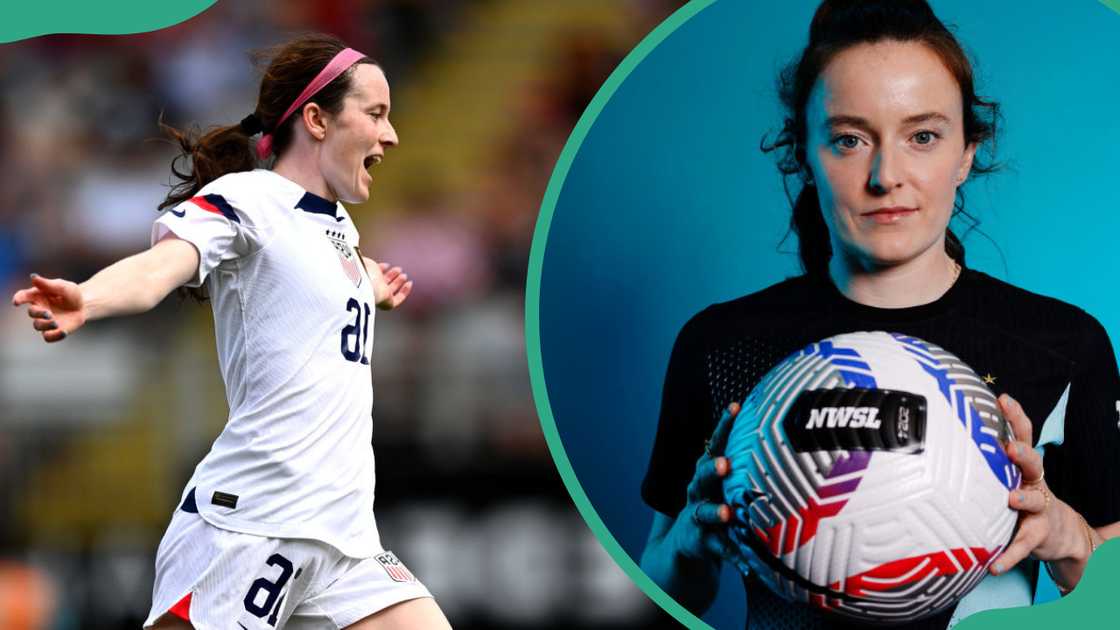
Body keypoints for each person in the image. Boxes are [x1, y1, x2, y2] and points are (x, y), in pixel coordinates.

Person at [638, 1, 1120, 628]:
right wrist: (689, 546)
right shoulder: (722, 344)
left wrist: (1067, 534)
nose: (886, 175)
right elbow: (661, 594)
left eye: (923, 136)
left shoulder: (1060, 343)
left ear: (968, 151)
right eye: (849, 139)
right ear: (803, 153)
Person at [11, 34, 452, 630]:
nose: (390, 134)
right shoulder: (249, 198)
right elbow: (160, 269)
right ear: (317, 119)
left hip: (344, 536)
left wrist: (368, 290)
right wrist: (88, 297)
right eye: (375, 114)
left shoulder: (340, 231)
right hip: (251, 522)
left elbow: (309, 290)